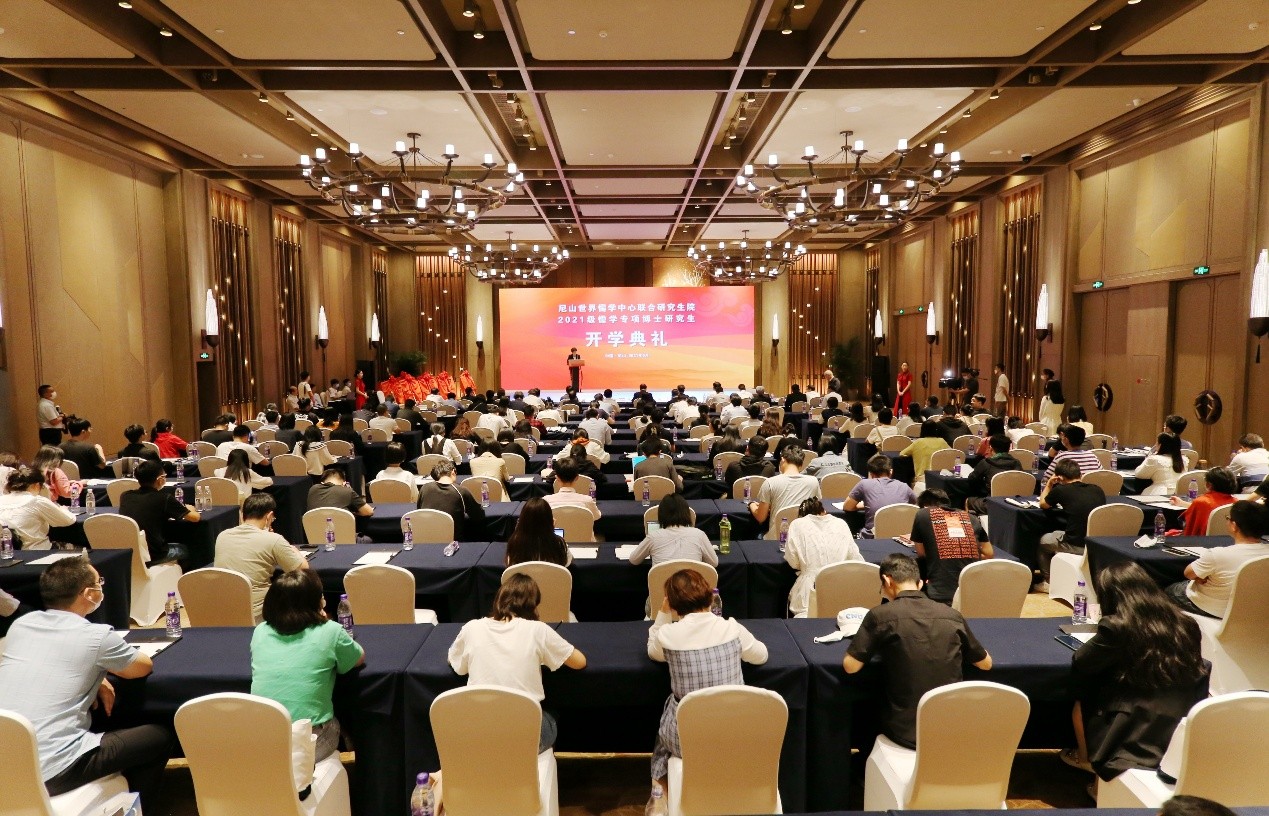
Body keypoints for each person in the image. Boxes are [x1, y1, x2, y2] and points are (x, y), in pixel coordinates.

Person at [0, 556, 170, 808]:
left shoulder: (21, 625)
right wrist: (101, 667)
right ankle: (135, 808)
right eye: (99, 583)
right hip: (54, 769)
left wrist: (96, 675)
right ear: (90, 594)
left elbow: (46, 662)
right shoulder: (97, 636)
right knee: (159, 737)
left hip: (6, 760)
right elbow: (141, 667)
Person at [1064, 562, 1207, 783]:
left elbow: (1081, 662)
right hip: (1182, 709)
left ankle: (1086, 761)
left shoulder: (1117, 626)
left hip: (1135, 718)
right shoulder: (1185, 622)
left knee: (1082, 697)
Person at [843, 554, 992, 749]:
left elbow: (851, 666)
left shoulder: (880, 615)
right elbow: (986, 664)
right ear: (920, 583)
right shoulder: (952, 615)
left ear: (887, 580)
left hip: (903, 731)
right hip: (949, 728)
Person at [646, 569, 767, 805]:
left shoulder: (668, 635)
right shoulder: (732, 628)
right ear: (710, 596)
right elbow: (761, 655)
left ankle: (661, 799)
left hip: (687, 738)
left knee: (663, 737)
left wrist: (662, 613)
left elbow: (652, 651)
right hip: (735, 730)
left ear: (672, 604)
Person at [449, 574, 586, 753]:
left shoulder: (471, 628)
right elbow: (579, 662)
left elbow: (457, 666)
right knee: (552, 713)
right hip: (525, 736)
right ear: (533, 606)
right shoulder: (538, 630)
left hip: (481, 732)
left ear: (498, 600)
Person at [251, 568, 364, 761]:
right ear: (316, 603)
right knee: (348, 720)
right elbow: (357, 658)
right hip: (310, 740)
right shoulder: (331, 631)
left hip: (263, 738)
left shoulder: (260, 631)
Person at [1165, 500, 1269, 618]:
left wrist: (1200, 577)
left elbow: (1188, 573)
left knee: (1170, 590)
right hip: (1256, 611)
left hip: (1212, 610)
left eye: (1228, 518)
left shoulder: (1218, 554)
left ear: (1234, 526)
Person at [213, 494, 307, 621]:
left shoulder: (222, 536)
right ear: (269, 516)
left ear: (242, 515)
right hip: (259, 613)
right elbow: (303, 570)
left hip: (222, 610)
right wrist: (293, 550)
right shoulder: (273, 539)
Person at [906, 489, 992, 603]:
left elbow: (922, 554)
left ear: (925, 506)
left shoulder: (923, 514)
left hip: (939, 596)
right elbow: (988, 553)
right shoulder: (972, 518)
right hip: (971, 594)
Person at [1035, 459, 1107, 591]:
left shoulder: (1061, 490)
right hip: (1097, 544)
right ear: (1080, 475)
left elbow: (1043, 504)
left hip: (1076, 544)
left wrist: (1049, 484)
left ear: (1060, 478)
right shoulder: (1098, 489)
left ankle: (1049, 582)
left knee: (1043, 541)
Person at [784, 497, 861, 616]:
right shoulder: (841, 523)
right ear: (824, 511)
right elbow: (856, 559)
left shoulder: (797, 524)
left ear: (801, 515)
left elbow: (793, 562)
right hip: (842, 589)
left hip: (809, 592)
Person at [119, 460, 199, 565]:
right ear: (160, 480)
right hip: (154, 554)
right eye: (164, 476)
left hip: (130, 552)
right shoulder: (164, 498)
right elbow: (195, 518)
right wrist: (191, 508)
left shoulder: (125, 496)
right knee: (187, 549)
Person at [628, 494, 716, 567]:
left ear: (661, 515)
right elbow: (714, 563)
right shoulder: (699, 535)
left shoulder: (653, 537)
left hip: (661, 583)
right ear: (687, 514)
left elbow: (634, 560)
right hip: (693, 582)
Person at [0, 467, 76, 549]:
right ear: (36, 485)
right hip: (37, 550)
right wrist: (64, 510)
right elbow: (68, 520)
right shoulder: (36, 501)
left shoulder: (1, 499)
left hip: (7, 552)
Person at [845, 454, 917, 537]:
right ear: (891, 471)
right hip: (901, 537)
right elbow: (915, 507)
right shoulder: (904, 486)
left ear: (870, 473)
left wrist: (863, 506)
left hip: (873, 538)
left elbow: (847, 507)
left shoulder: (864, 484)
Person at [748, 446, 821, 526]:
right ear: (801, 465)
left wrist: (751, 504)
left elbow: (761, 517)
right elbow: (817, 510)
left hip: (778, 533)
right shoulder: (814, 482)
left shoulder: (770, 483)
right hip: (803, 532)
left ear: (782, 460)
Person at [417, 459, 486, 540]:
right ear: (453, 472)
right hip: (453, 541)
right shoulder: (461, 491)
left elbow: (419, 510)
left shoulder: (424, 488)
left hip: (425, 538)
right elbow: (478, 516)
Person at [1169, 466, 1237, 537]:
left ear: (1208, 485)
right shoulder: (1236, 503)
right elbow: (1213, 507)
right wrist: (1182, 503)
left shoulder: (1201, 502)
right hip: (1231, 541)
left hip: (1202, 541)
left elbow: (1189, 529)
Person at [965, 435, 1024, 514]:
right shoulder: (1017, 463)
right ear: (1008, 449)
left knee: (969, 500)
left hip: (992, 505)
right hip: (1014, 505)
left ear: (990, 448)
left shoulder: (986, 463)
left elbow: (971, 479)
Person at [505, 497, 571, 567]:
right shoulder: (559, 544)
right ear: (550, 520)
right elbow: (566, 563)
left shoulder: (514, 544)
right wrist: (551, 530)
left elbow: (510, 564)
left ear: (522, 521)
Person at [542, 458, 601, 527]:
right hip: (581, 534)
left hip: (556, 534)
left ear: (557, 478)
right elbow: (597, 516)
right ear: (577, 478)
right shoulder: (588, 500)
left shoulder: (546, 501)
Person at [307, 466, 372, 517]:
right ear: (344, 483)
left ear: (322, 483)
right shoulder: (347, 491)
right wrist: (352, 514)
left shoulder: (312, 489)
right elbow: (369, 511)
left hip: (313, 529)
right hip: (341, 529)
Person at [900, 420, 951, 485]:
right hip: (940, 477)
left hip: (922, 478)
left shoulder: (918, 442)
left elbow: (902, 454)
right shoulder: (942, 441)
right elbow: (952, 453)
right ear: (936, 430)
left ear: (922, 430)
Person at [1038, 369, 1066, 435]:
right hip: (1058, 422)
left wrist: (1041, 420)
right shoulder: (1062, 400)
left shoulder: (1046, 398)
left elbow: (1041, 414)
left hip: (1046, 423)